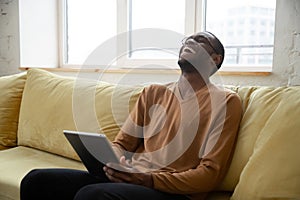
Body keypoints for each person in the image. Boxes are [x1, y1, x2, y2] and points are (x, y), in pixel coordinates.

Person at [20, 31, 242, 200]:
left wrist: (149, 179)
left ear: (215, 59)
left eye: (201, 41)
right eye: (187, 40)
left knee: (92, 195)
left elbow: (209, 174)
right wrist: (115, 161)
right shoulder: (154, 92)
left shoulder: (226, 101)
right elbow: (121, 143)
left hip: (171, 191)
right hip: (133, 176)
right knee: (37, 180)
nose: (190, 42)